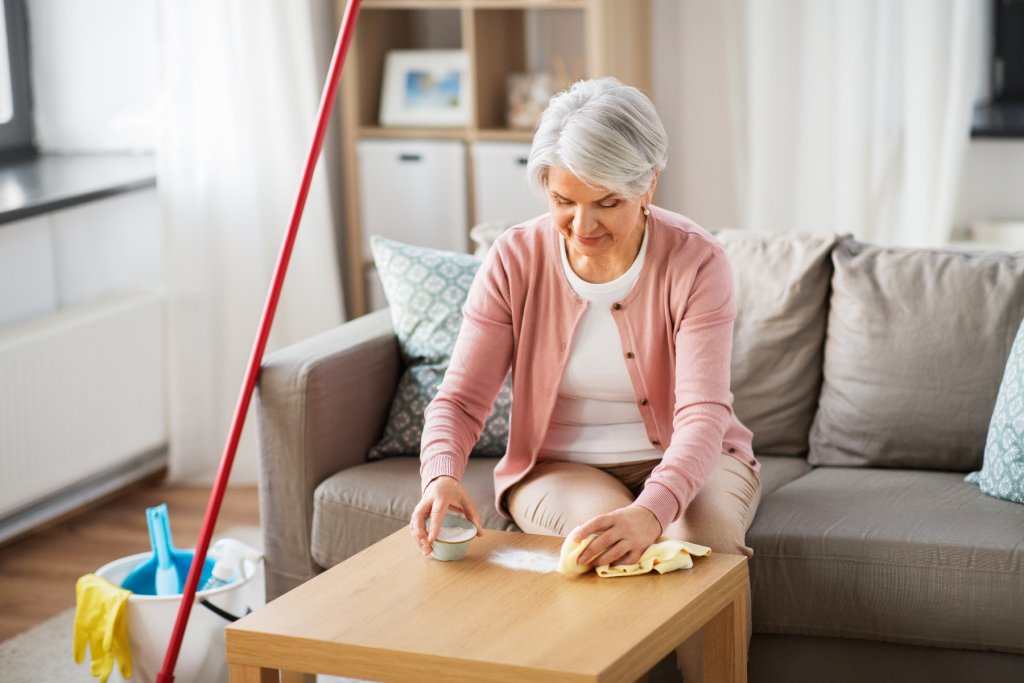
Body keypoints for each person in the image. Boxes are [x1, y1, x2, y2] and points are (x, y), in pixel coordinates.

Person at [410, 76, 761, 681]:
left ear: (648, 183)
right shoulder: (514, 260)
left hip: (696, 457)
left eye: (607, 204)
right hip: (559, 467)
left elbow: (703, 417)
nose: (582, 226)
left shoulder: (697, 261)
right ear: (545, 183)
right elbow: (461, 399)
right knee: (602, 547)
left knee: (700, 545)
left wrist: (653, 510)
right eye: (563, 201)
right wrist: (439, 476)